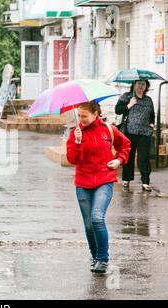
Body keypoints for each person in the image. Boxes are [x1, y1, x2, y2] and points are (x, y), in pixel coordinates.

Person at [67, 101, 131, 274]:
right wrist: (78, 142)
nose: (81, 119)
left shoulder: (108, 129)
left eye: (84, 116)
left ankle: (103, 260)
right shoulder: (75, 133)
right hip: (83, 183)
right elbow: (73, 160)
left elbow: (125, 145)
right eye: (79, 116)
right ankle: (95, 256)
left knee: (97, 218)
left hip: (104, 180)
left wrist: (119, 160)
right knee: (88, 225)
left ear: (95, 114)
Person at [115, 80, 155, 191]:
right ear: (134, 85)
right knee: (129, 157)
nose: (141, 86)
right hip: (129, 132)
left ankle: (145, 182)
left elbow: (152, 114)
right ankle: (126, 179)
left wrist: (151, 124)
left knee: (144, 158)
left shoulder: (148, 100)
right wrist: (129, 105)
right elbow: (117, 110)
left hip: (144, 133)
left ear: (146, 86)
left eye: (143, 84)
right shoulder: (127, 97)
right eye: (139, 84)